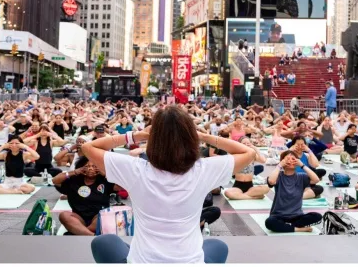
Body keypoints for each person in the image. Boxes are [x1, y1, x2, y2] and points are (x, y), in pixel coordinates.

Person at [86, 104, 255, 264]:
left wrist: (137, 135)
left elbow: (88, 147)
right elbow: (248, 152)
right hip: (190, 262)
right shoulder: (203, 170)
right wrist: (203, 136)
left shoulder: (135, 169)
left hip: (142, 262)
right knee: (219, 246)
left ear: (153, 139)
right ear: (190, 138)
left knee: (103, 242)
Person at [52, 155, 117, 235]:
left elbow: (122, 186)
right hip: (78, 218)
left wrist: (105, 174)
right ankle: (91, 235)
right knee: (64, 215)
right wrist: (74, 172)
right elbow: (55, 180)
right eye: (87, 166)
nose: (90, 168)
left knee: (106, 216)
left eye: (94, 166)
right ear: (81, 167)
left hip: (98, 217)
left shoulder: (104, 181)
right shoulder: (74, 180)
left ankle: (79, 232)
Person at [262, 150, 324, 233]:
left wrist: (302, 165)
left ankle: (287, 227)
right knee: (269, 222)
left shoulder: (301, 177)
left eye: (293, 159)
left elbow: (316, 179)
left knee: (317, 216)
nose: (291, 161)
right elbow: (271, 181)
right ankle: (297, 229)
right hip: (278, 215)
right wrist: (279, 165)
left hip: (297, 216)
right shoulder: (278, 176)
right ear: (283, 161)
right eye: (287, 159)